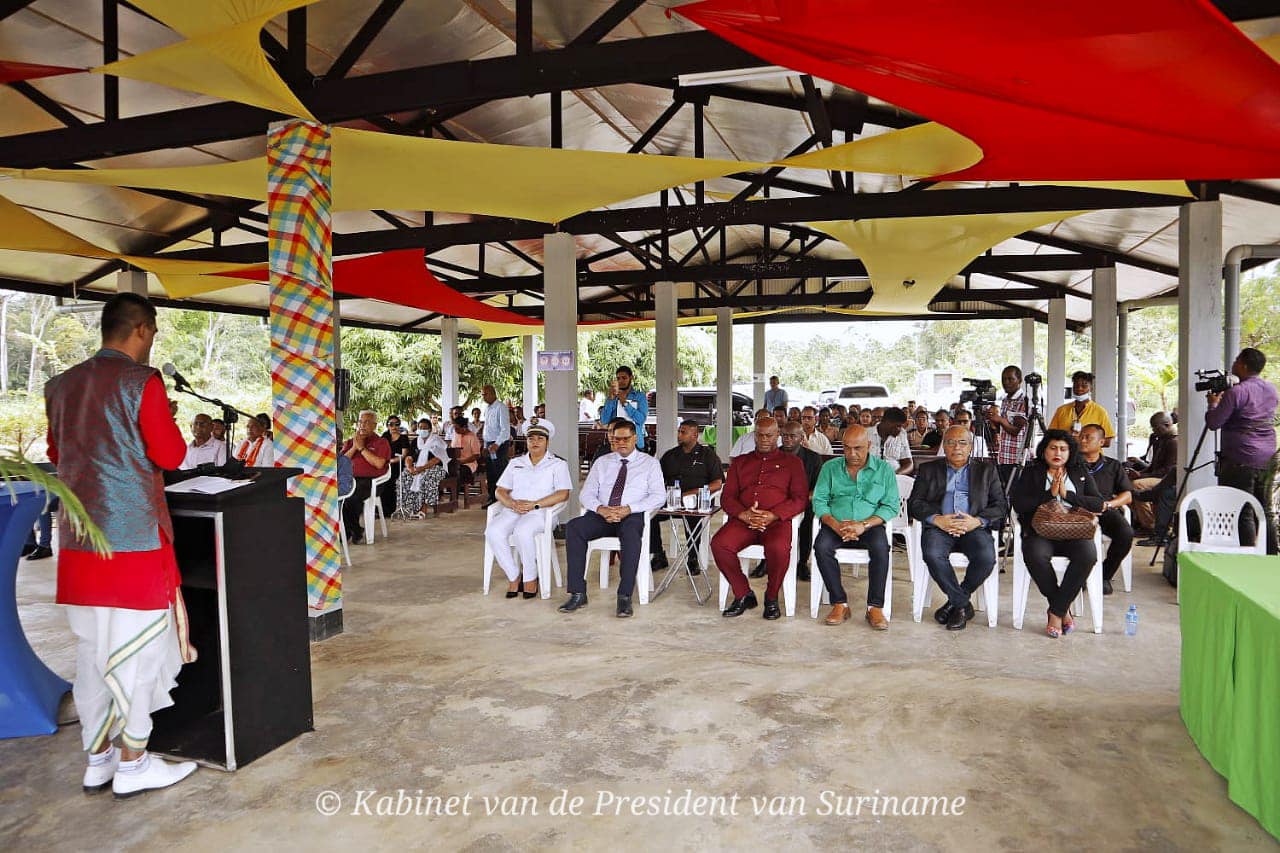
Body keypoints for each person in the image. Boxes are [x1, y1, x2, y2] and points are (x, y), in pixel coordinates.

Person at [43, 292, 198, 797]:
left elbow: (56, 451)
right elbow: (171, 454)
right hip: (133, 542)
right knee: (140, 651)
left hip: (80, 541)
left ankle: (99, 757)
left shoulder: (60, 385)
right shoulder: (140, 382)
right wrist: (161, 418)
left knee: (94, 651)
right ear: (143, 330)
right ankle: (134, 763)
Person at [559, 421, 665, 617]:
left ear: (635, 438)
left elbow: (659, 496)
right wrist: (600, 508)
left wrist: (629, 509)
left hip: (630, 516)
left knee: (632, 536)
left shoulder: (650, 464)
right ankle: (577, 592)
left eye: (626, 438)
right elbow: (586, 493)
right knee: (574, 527)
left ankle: (624, 596)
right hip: (603, 514)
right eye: (617, 439)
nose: (621, 443)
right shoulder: (602, 462)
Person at [909, 426, 1007, 630]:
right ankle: (962, 605)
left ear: (971, 447)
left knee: (986, 558)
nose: (957, 447)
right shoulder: (929, 470)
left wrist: (977, 521)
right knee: (933, 553)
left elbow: (1000, 505)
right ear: (944, 446)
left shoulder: (986, 470)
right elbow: (915, 503)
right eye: (951, 442)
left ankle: (954, 603)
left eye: (962, 443)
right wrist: (937, 519)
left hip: (974, 527)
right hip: (940, 527)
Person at [1009, 430, 1104, 638]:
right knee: (1035, 554)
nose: (1057, 453)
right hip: (1040, 531)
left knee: (1088, 555)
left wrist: (1066, 495)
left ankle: (1056, 611)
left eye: (1063, 449)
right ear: (1044, 451)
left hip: (1074, 531)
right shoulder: (1032, 472)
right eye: (1053, 448)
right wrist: (1049, 495)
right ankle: (1061, 608)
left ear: (1070, 452)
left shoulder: (1080, 472)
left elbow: (1098, 503)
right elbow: (1019, 504)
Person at [711, 417, 808, 620]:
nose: (764, 439)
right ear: (754, 435)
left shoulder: (793, 463)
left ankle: (771, 597)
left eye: (769, 435)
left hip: (776, 522)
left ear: (778, 436)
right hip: (744, 521)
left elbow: (800, 499)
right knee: (720, 544)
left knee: (779, 549)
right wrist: (743, 514)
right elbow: (727, 497)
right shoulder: (740, 462)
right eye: (760, 435)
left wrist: (773, 515)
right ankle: (743, 593)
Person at [812, 425, 900, 629]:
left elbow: (890, 505)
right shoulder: (830, 468)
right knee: (821, 547)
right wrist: (834, 524)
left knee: (881, 548)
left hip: (869, 525)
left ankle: (875, 607)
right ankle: (840, 603)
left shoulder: (884, 469)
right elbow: (819, 501)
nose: (852, 454)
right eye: (847, 448)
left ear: (869, 445)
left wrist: (863, 525)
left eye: (858, 448)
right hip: (836, 524)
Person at [488, 420, 573, 599]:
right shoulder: (516, 463)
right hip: (514, 508)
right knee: (493, 532)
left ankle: (530, 577)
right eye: (531, 438)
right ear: (526, 441)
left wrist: (535, 504)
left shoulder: (558, 464)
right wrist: (511, 503)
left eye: (540, 438)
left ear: (547, 442)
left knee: (522, 531)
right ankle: (513, 576)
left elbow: (563, 494)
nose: (535, 442)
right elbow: (500, 490)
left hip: (541, 511)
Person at [1206, 347, 1279, 554]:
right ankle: (1272, 556)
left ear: (1244, 365)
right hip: (1267, 457)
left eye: (1237, 360)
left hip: (1240, 458)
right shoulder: (1271, 389)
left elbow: (1214, 423)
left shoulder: (1237, 392)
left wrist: (1213, 404)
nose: (1234, 363)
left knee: (1242, 510)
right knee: (1264, 510)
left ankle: (1247, 557)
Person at [651, 420, 724, 576]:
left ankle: (692, 558)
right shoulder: (670, 455)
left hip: (697, 501)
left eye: (683, 432)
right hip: (672, 500)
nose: (679, 435)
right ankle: (658, 554)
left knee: (692, 517)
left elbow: (717, 483)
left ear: (695, 435)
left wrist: (695, 492)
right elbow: (656, 480)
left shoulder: (708, 455)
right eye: (679, 431)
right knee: (649, 515)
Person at [1078, 423, 1134, 595]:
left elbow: (1128, 495)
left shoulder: (1113, 465)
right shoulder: (1071, 463)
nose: (1083, 440)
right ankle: (1079, 575)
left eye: (1088, 437)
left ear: (1101, 442)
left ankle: (1104, 575)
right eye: (1081, 436)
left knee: (1126, 534)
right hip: (1078, 511)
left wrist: (1109, 505)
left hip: (1105, 509)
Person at [778, 420, 825, 582]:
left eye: (792, 436)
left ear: (801, 437)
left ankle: (802, 562)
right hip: (778, 502)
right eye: (784, 436)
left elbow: (818, 489)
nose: (788, 440)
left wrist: (800, 500)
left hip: (804, 501)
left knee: (809, 517)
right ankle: (766, 561)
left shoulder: (813, 458)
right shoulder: (773, 456)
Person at [340, 410, 391, 543]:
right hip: (350, 479)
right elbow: (341, 462)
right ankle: (354, 529)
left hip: (372, 481)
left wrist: (362, 449)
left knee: (351, 496)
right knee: (336, 495)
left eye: (367, 422)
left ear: (374, 425)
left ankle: (349, 531)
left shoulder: (381, 442)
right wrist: (355, 447)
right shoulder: (351, 442)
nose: (362, 425)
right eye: (361, 422)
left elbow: (379, 464)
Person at [987, 365, 1030, 486]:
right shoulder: (1005, 400)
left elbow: (1016, 430)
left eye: (1010, 379)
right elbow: (1004, 429)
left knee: (1016, 495)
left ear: (1020, 380)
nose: (1006, 382)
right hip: (1004, 456)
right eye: (1004, 379)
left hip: (1018, 459)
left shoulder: (1024, 401)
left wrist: (1000, 419)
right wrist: (993, 421)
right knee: (1005, 493)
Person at [1048, 370, 1115, 445]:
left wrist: (1084, 442)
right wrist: (1067, 436)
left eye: (1084, 386)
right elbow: (1050, 436)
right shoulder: (1061, 410)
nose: (1079, 388)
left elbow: (1107, 441)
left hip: (1089, 456)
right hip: (1067, 455)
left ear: (1091, 388)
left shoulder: (1100, 412)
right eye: (1076, 385)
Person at [401, 418, 450, 517]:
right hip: (417, 467)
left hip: (436, 468)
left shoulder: (436, 441)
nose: (422, 430)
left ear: (430, 429)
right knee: (405, 475)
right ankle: (409, 508)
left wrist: (421, 469)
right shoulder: (416, 441)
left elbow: (437, 459)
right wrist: (410, 467)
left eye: (425, 428)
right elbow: (409, 457)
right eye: (420, 428)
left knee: (426, 477)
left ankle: (423, 508)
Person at [599, 365, 649, 450]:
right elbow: (604, 420)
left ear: (631, 377)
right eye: (618, 378)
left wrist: (625, 403)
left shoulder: (640, 397)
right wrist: (610, 399)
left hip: (635, 443)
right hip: (616, 441)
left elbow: (641, 419)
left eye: (624, 378)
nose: (621, 381)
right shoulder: (612, 398)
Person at [480, 385, 511, 507]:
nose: (483, 397)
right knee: (490, 473)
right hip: (489, 444)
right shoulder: (487, 409)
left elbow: (505, 430)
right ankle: (492, 498)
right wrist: (484, 445)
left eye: (485, 394)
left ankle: (502, 498)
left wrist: (497, 444)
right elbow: (487, 428)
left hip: (499, 444)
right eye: (482, 394)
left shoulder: (501, 407)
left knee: (500, 472)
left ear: (493, 393)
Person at [380, 415, 413, 516]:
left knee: (391, 481)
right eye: (391, 424)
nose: (394, 426)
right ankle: (381, 510)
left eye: (397, 424)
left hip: (398, 465)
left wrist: (391, 461)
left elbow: (403, 455)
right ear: (387, 425)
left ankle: (390, 510)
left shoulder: (403, 438)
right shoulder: (385, 436)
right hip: (385, 464)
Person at [868, 407, 914, 476]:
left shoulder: (902, 434)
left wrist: (897, 475)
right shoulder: (866, 434)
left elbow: (909, 464)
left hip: (895, 477)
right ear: (886, 422)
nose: (900, 429)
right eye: (898, 426)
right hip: (870, 477)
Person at [449, 415, 483, 485]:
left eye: (457, 428)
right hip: (455, 462)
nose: (455, 430)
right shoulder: (456, 434)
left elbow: (476, 455)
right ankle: (451, 490)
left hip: (468, 463)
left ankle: (457, 491)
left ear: (464, 427)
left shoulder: (472, 437)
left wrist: (462, 462)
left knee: (459, 471)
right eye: (454, 428)